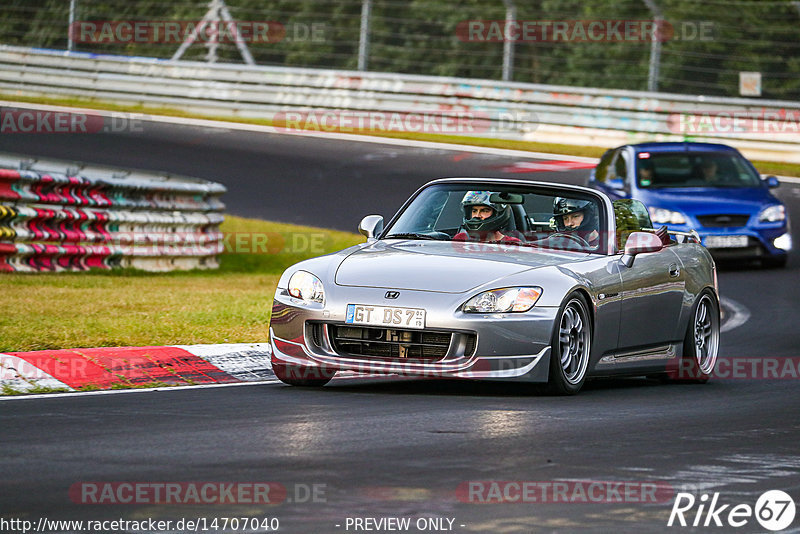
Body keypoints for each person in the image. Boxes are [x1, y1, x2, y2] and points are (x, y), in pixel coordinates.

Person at [453, 191, 521, 243]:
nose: (477, 215)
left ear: (497, 213)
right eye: (474, 211)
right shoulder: (461, 239)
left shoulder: (512, 243)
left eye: (484, 211)